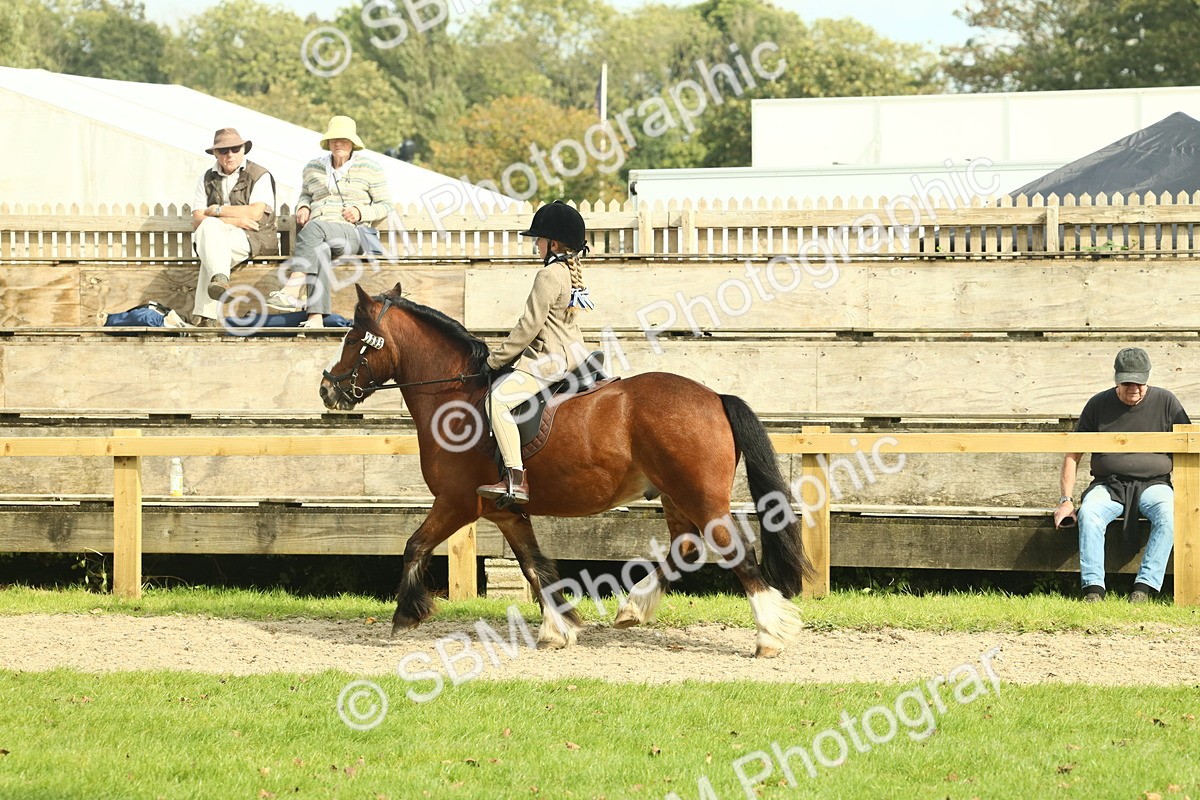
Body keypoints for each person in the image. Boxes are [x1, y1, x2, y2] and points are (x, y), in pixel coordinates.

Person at [477, 201, 595, 504]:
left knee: (497, 403)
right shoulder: (570, 272)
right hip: (577, 355)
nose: (536, 245)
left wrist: (496, 360)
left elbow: (528, 326)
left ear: (552, 243)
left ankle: (515, 479)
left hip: (550, 361)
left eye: (539, 240)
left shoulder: (548, 275)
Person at [1054, 347, 1191, 603]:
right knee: (1091, 513)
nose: (1134, 389)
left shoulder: (1166, 402)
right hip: (1109, 484)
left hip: (1154, 484)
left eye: (1139, 382)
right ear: (1116, 379)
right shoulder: (1098, 404)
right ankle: (1093, 590)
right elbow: (1073, 454)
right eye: (1127, 382)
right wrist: (1066, 500)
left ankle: (1144, 587)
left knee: (1170, 514)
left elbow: (1190, 444)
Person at [266, 116, 392, 328]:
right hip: (319, 235)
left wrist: (361, 212)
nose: (339, 143)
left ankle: (291, 289)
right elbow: (305, 194)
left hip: (352, 233)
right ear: (328, 142)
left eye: (344, 139)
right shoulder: (312, 167)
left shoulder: (370, 167)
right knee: (320, 249)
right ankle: (315, 318)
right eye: (334, 139)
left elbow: (386, 204)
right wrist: (304, 206)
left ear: (352, 142)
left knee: (315, 228)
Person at [190, 128, 278, 327]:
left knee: (210, 250)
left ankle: (206, 317)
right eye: (223, 150)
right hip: (223, 234)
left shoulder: (260, 174)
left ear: (243, 150)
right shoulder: (206, 178)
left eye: (235, 149)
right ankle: (219, 281)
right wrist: (235, 220)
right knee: (210, 233)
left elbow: (255, 214)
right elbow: (197, 220)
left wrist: (217, 210)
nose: (229, 154)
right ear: (215, 153)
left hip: (254, 237)